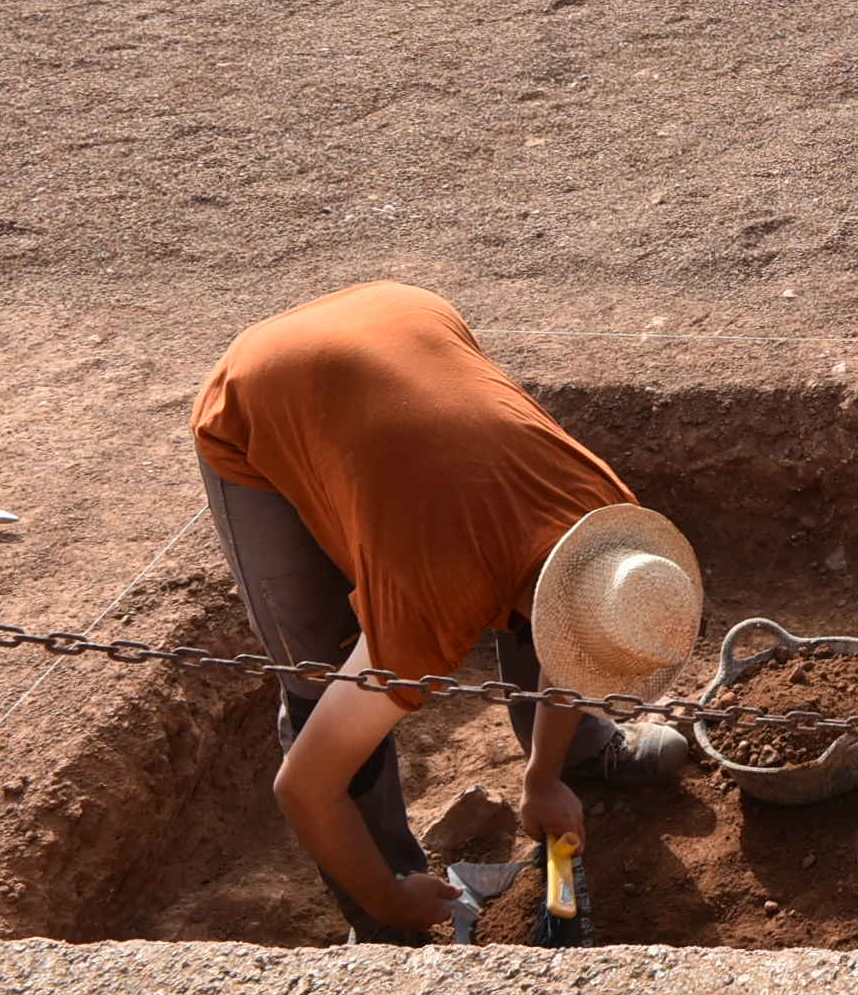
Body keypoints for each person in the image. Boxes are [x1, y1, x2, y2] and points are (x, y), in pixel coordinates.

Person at [191, 281, 704, 943]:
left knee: (540, 586)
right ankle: (380, 920)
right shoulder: (430, 603)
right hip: (261, 390)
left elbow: (562, 621)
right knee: (317, 671)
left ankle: (573, 752)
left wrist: (542, 779)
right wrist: (388, 896)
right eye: (581, 658)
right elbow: (305, 787)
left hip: (406, 326)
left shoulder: (610, 525)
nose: (578, 660)